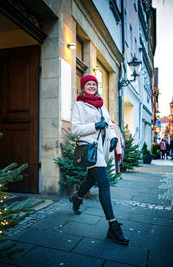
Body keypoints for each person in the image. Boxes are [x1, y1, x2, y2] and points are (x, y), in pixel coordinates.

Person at [69, 74, 129, 246]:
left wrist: (113, 138)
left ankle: (77, 198)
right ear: (83, 86)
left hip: (102, 149)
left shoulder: (102, 105)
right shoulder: (79, 105)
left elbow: (109, 125)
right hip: (89, 148)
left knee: (91, 178)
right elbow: (75, 128)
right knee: (104, 182)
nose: (91, 86)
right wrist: (94, 126)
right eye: (88, 84)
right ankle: (113, 225)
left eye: (94, 84)